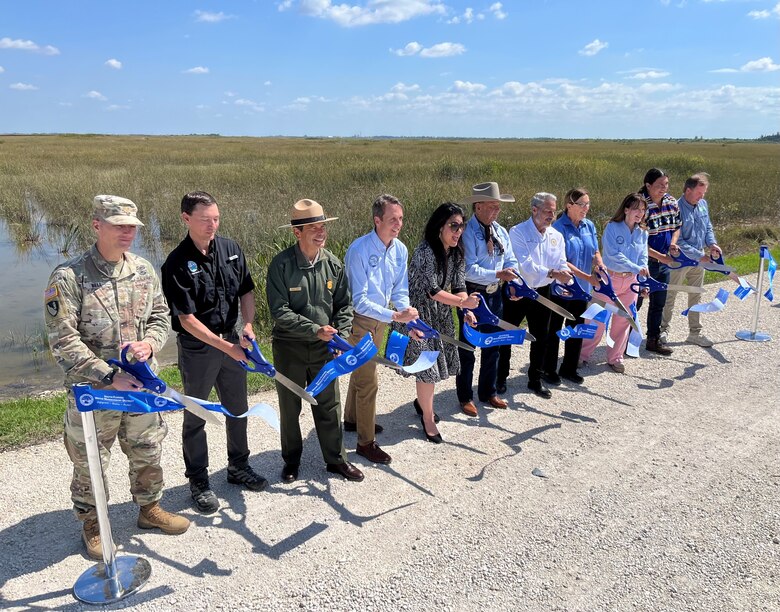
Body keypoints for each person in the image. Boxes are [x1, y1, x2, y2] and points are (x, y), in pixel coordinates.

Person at [45, 195, 189, 560]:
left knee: (147, 448)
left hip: (139, 386)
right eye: (119, 226)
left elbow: (160, 316)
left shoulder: (142, 269)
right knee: (90, 458)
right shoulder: (69, 276)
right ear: (97, 226)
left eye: (132, 227)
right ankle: (92, 522)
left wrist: (150, 345)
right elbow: (63, 340)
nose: (128, 233)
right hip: (95, 392)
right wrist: (108, 375)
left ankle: (149, 509)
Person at [161, 191, 267, 515]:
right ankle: (198, 481)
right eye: (206, 220)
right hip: (199, 349)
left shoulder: (231, 249)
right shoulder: (176, 263)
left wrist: (248, 326)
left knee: (238, 408)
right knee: (197, 415)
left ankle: (238, 467)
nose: (213, 225)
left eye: (216, 218)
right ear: (186, 219)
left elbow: (246, 289)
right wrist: (227, 347)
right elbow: (186, 319)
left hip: (234, 341)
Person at [266, 199, 364, 483]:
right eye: (313, 228)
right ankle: (291, 461)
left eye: (323, 227)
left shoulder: (333, 264)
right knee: (290, 408)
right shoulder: (281, 265)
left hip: (325, 349)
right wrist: (314, 329)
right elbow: (279, 311)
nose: (321, 233)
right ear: (297, 233)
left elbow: (345, 306)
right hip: (289, 348)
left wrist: (340, 338)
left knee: (328, 406)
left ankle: (336, 461)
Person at [391, 203, 479, 442]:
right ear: (440, 226)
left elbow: (459, 286)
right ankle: (428, 420)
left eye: (462, 226)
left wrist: (467, 307)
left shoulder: (458, 251)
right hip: (418, 317)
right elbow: (432, 290)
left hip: (441, 314)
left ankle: (423, 404)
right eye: (453, 225)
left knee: (435, 369)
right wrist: (462, 304)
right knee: (427, 370)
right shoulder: (425, 251)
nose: (458, 231)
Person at [343, 194, 418, 464]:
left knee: (363, 373)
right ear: (377, 221)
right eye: (392, 220)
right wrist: (394, 314)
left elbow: (400, 288)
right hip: (360, 321)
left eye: (400, 219)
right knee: (368, 381)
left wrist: (406, 313)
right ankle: (366, 442)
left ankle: (352, 420)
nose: (398, 225)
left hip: (382, 320)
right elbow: (358, 300)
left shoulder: (400, 250)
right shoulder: (360, 250)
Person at [497, 192, 573, 400]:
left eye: (554, 211)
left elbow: (562, 262)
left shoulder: (556, 236)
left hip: (543, 291)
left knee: (542, 336)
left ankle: (535, 379)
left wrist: (565, 278)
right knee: (508, 334)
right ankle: (500, 377)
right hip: (518, 290)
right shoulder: (518, 232)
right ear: (534, 210)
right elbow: (525, 265)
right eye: (548, 211)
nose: (552, 215)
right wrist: (553, 273)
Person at [456, 182, 519, 417]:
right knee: (469, 347)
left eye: (498, 207)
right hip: (473, 294)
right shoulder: (466, 233)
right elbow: (468, 270)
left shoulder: (500, 231)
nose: (496, 211)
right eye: (492, 206)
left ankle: (488, 391)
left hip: (496, 293)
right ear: (478, 206)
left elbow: (511, 258)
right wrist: (497, 274)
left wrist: (511, 274)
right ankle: (465, 396)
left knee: (494, 344)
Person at [580, 193, 649, 373]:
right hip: (608, 280)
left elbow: (644, 258)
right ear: (626, 209)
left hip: (631, 281)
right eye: (636, 209)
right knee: (597, 319)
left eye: (643, 210)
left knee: (623, 320)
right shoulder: (612, 227)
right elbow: (612, 255)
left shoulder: (643, 233)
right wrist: (636, 267)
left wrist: (643, 282)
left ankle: (615, 357)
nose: (640, 213)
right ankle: (582, 355)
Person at [546, 188, 603, 385]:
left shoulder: (589, 226)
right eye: (582, 204)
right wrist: (587, 277)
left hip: (583, 290)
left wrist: (599, 263)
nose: (586, 208)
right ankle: (549, 369)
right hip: (562, 289)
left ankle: (569, 368)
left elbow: (595, 250)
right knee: (555, 329)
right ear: (569, 206)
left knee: (576, 329)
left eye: (588, 204)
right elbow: (561, 261)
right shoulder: (557, 228)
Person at [660, 173, 719, 348]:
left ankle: (695, 333)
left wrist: (712, 244)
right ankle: (663, 331)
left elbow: (707, 227)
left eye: (704, 193)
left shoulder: (703, 205)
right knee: (670, 295)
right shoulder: (675, 208)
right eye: (699, 193)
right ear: (687, 190)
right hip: (679, 261)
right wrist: (698, 255)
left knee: (696, 294)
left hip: (699, 259)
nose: (702, 197)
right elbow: (677, 240)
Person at [638, 168, 680, 356]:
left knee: (658, 303)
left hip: (664, 262)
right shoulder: (639, 205)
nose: (664, 188)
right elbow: (637, 242)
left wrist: (672, 243)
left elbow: (677, 226)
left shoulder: (671, 202)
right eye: (659, 185)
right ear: (648, 185)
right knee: (635, 303)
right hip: (643, 263)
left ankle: (653, 340)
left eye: (666, 184)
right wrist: (660, 256)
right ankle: (623, 341)